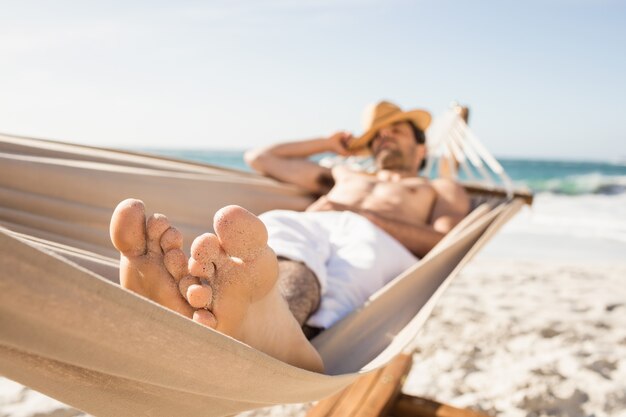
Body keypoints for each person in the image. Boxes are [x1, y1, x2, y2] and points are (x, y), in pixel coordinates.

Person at [109, 101, 470, 373]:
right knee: (280, 236)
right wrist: (327, 143)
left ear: (422, 149)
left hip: (380, 242)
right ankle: (255, 312)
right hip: (316, 226)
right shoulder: (343, 173)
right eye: (377, 136)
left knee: (350, 275)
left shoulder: (439, 187)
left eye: (396, 132)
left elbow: (446, 239)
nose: (383, 138)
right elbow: (262, 157)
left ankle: (272, 327)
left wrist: (356, 212)